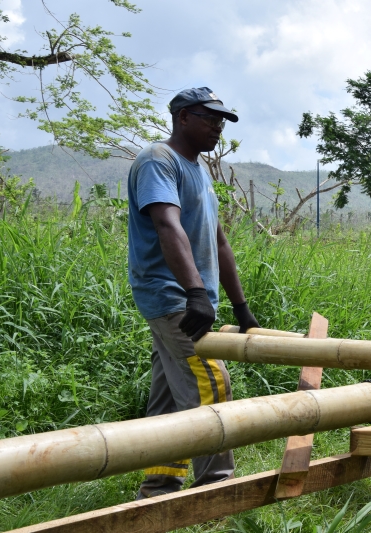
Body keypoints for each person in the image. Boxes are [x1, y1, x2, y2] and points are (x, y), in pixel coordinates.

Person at [127, 87, 260, 498]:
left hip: (190, 298)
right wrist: (195, 293)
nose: (218, 127)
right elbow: (168, 226)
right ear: (183, 117)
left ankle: (161, 483)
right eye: (210, 118)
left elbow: (218, 242)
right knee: (212, 385)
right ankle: (216, 487)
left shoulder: (200, 169)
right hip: (172, 298)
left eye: (222, 121)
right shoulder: (158, 162)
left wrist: (241, 308)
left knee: (169, 395)